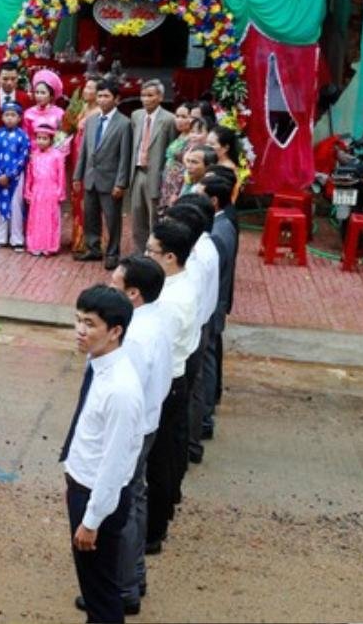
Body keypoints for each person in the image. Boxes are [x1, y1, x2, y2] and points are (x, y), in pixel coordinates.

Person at [61, 285, 145, 624]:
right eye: (78, 320)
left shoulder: (121, 389)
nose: (80, 331)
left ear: (115, 331)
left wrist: (92, 520)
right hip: (82, 484)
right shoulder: (98, 363)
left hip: (97, 497)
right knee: (95, 585)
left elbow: (115, 464)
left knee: (102, 593)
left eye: (91, 324)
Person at [105, 256, 172, 615]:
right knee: (136, 496)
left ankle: (124, 587)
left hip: (133, 428)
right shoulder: (153, 318)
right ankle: (135, 574)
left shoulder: (134, 337)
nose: (109, 290)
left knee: (123, 505)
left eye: (115, 287)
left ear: (133, 294)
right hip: (149, 421)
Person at [143, 219, 200, 553]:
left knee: (160, 459)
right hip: (170, 378)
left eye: (152, 251)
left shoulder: (172, 301)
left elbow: (156, 350)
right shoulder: (172, 286)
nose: (147, 254)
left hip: (167, 383)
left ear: (170, 257)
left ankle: (153, 530)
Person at [168, 196, 219, 470]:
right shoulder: (203, 249)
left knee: (187, 394)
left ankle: (187, 447)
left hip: (192, 333)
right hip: (198, 326)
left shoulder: (196, 260)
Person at [193, 174, 238, 448]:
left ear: (213, 200)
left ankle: (205, 417)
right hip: (214, 305)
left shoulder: (218, 234)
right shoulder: (224, 224)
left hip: (211, 308)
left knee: (206, 364)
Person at [73, 80, 133, 270]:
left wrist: (121, 183)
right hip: (90, 177)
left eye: (106, 96)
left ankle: (113, 252)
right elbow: (83, 150)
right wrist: (77, 176)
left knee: (112, 218)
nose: (102, 99)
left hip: (111, 180)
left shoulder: (124, 123)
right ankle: (93, 248)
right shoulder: (91, 120)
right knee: (90, 216)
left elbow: (125, 156)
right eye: (99, 95)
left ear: (117, 99)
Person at [129, 80, 177, 255]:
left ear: (160, 97)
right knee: (137, 215)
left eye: (150, 95)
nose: (146, 99)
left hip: (155, 174)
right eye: (143, 95)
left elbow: (172, 150)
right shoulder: (136, 116)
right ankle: (138, 253)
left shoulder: (169, 119)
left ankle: (154, 254)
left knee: (153, 217)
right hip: (138, 172)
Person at [66, 80, 102, 255]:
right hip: (76, 156)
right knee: (76, 197)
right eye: (85, 87)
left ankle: (89, 240)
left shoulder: (98, 113)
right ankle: (78, 238)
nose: (86, 91)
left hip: (87, 159)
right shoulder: (82, 108)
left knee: (86, 199)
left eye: (90, 88)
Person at [0, 102, 30, 250]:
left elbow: (23, 157)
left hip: (16, 178)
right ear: (2, 117)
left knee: (16, 205)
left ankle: (16, 238)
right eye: (7, 115)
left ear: (19, 118)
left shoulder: (23, 136)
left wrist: (11, 174)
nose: (10, 118)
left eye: (13, 115)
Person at [24, 123, 69, 257]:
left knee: (50, 219)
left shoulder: (57, 156)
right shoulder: (34, 156)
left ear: (51, 139)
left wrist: (60, 192)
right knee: (36, 219)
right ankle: (35, 245)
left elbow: (61, 175)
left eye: (45, 138)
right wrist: (28, 191)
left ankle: (50, 246)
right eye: (39, 138)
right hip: (37, 191)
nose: (41, 141)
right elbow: (30, 175)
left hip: (51, 191)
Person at [0, 61, 34, 132]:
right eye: (5, 79)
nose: (9, 83)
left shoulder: (25, 98)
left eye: (13, 79)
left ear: (17, 78)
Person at [159, 107, 195, 209]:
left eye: (184, 117)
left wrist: (178, 191)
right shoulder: (180, 135)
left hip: (179, 185)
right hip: (168, 183)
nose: (179, 120)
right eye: (177, 116)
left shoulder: (192, 140)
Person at [23, 69, 65, 140]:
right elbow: (26, 137)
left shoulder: (60, 113)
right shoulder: (28, 113)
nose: (39, 96)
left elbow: (62, 138)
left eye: (43, 93)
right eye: (37, 92)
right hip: (33, 150)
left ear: (51, 96)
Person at [207, 126, 243, 202]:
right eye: (206, 143)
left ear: (226, 148)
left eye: (211, 144)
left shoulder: (228, 169)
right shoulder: (214, 161)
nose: (207, 147)